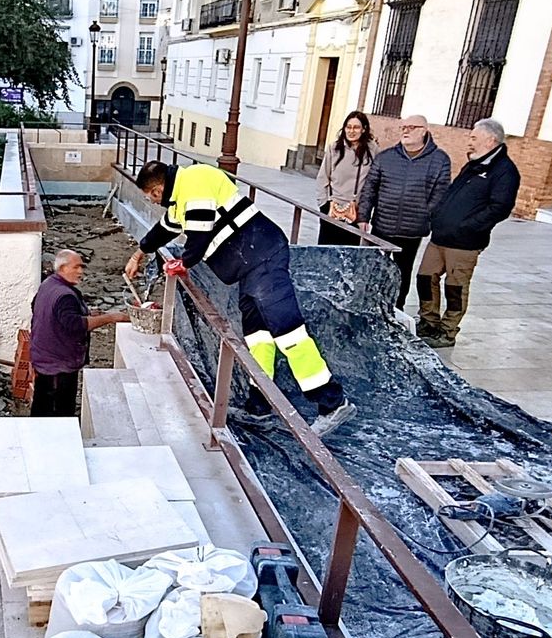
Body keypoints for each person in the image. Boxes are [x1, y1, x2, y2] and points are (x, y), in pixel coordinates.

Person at [126, 159, 355, 437]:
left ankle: (332, 402)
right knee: (258, 337)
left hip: (263, 256)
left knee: (288, 332)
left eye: (150, 196)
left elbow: (199, 234)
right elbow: (164, 229)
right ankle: (260, 405)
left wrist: (184, 263)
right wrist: (140, 253)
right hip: (251, 264)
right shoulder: (180, 199)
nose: (152, 201)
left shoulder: (194, 180)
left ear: (158, 188)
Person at [416, 117, 519, 348]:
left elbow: (500, 208)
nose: (469, 141)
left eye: (474, 137)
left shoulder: (504, 171)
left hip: (464, 243)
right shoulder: (473, 164)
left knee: (455, 288)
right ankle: (428, 322)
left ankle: (447, 331)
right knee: (425, 278)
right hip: (440, 237)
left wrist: (468, 226)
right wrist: (438, 214)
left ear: (490, 140)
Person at [357, 113, 451, 310]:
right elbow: (370, 188)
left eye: (411, 127)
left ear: (424, 131)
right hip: (382, 226)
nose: (406, 131)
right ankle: (370, 307)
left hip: (411, 231)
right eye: (404, 127)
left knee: (402, 273)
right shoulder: (386, 157)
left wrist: (424, 216)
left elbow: (440, 194)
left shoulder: (439, 160)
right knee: (374, 270)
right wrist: (363, 216)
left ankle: (396, 311)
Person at [28, 249, 126, 417]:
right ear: (62, 268)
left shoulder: (48, 284)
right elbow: (76, 325)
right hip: (58, 365)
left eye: (82, 267)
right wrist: (111, 317)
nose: (81, 272)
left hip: (44, 360)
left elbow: (41, 308)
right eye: (76, 267)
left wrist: (86, 313)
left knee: (42, 406)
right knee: (58, 412)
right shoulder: (65, 295)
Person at [315, 111, 378, 245]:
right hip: (332, 209)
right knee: (327, 250)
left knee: (349, 251)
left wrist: (365, 211)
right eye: (348, 127)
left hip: (356, 211)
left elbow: (374, 182)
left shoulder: (373, 150)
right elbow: (323, 177)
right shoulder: (334, 148)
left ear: (364, 129)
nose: (351, 131)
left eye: (356, 127)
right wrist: (323, 204)